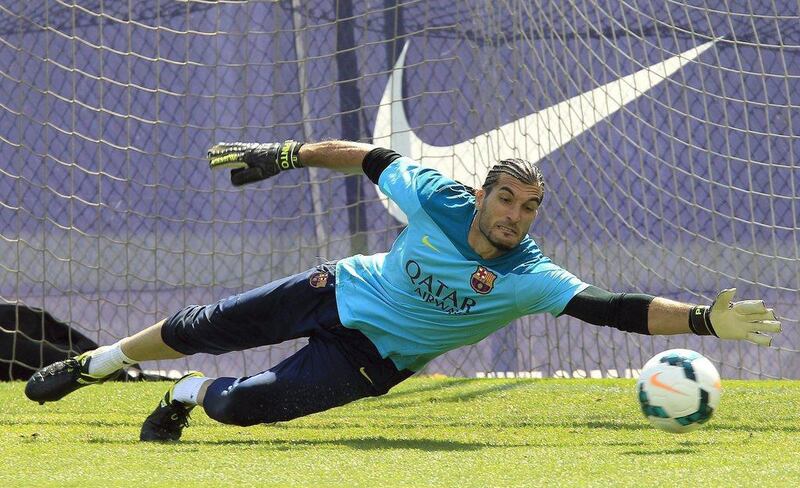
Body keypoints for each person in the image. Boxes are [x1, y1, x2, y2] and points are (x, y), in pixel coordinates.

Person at [24, 140, 781, 441]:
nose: (516, 216)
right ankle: (89, 368)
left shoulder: (528, 276)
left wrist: (705, 323)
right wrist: (283, 154)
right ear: (482, 194)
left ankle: (182, 396)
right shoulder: (438, 200)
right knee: (203, 322)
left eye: (529, 208)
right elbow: (368, 156)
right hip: (338, 288)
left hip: (370, 359)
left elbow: (613, 310)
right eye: (507, 200)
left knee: (240, 405)